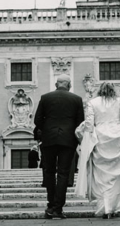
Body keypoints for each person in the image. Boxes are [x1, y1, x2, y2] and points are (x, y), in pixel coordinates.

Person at [75, 82, 120, 219]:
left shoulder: (93, 102)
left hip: (100, 138)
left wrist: (87, 137)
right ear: (113, 90)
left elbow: (89, 122)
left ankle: (106, 207)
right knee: (116, 176)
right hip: (118, 137)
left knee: (102, 176)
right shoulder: (118, 100)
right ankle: (111, 206)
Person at [34, 74, 84, 220]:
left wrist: (48, 129)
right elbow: (80, 122)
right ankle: (57, 208)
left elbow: (37, 120)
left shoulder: (45, 97)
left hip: (49, 140)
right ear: (69, 85)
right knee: (63, 173)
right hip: (68, 141)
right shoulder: (76, 99)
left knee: (48, 172)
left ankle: (50, 205)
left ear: (56, 85)